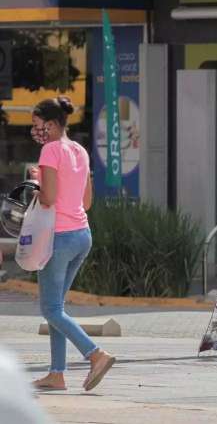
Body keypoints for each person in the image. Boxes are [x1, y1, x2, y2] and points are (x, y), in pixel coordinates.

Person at [29, 97, 115, 391]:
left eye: (37, 124)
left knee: (51, 309)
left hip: (59, 237)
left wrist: (36, 183)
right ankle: (56, 373)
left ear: (51, 124)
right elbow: (86, 202)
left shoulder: (50, 150)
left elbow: (49, 198)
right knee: (57, 307)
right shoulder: (79, 150)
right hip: (82, 235)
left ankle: (96, 354)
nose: (35, 130)